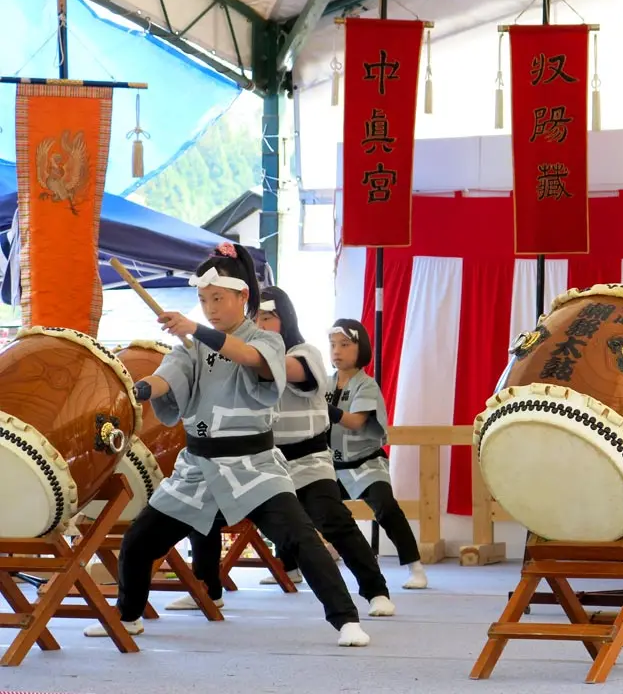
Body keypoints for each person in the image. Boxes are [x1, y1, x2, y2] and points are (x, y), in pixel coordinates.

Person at [83, 242, 372, 647]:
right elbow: (172, 375)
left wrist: (195, 328)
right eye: (203, 300)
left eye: (218, 298)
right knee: (139, 540)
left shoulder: (267, 341)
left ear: (242, 296)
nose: (210, 308)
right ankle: (128, 616)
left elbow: (251, 358)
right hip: (197, 467)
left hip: (253, 465)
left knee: (300, 537)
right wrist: (137, 389)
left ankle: (346, 620)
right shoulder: (195, 345)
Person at [167, 286, 397, 619]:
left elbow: (276, 367)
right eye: (255, 316)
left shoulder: (305, 353)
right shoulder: (235, 353)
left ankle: (375, 589)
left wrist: (223, 343)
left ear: (285, 318)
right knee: (202, 514)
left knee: (332, 520)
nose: (259, 322)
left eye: (268, 317)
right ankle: (207, 588)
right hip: (257, 462)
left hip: (308, 459)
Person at [271, 318, 428, 591]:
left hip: (365, 463)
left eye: (345, 344)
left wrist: (322, 406)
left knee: (386, 507)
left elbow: (355, 421)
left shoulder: (366, 385)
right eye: (333, 345)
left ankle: (415, 567)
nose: (337, 351)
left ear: (361, 348)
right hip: (329, 465)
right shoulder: (324, 382)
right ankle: (290, 568)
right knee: (291, 506)